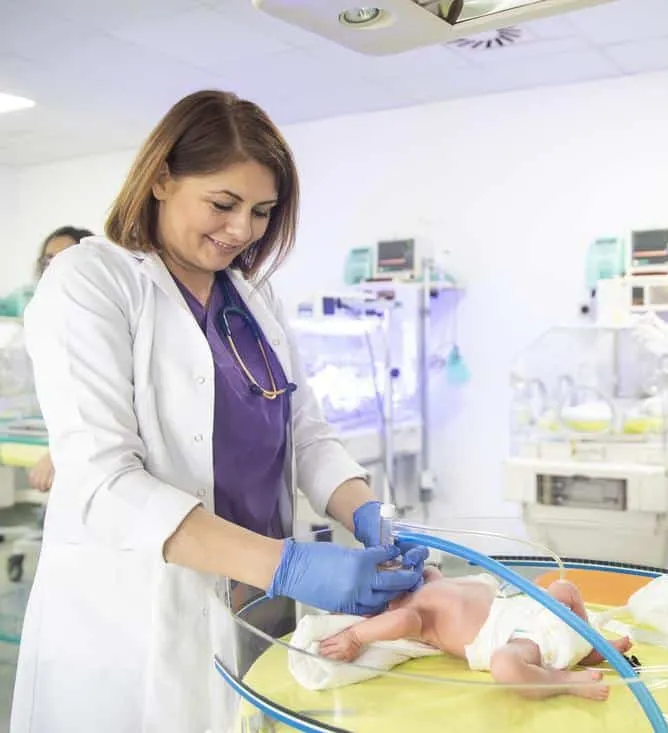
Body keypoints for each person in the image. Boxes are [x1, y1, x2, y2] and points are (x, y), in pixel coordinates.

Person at [10, 89, 428, 733]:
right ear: (160, 179)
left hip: (254, 604)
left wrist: (365, 511)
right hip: (136, 618)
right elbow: (103, 481)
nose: (243, 231)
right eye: (223, 204)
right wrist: (288, 564)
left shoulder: (252, 298)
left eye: (262, 212)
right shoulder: (92, 280)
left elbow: (305, 433)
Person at [318, 566, 634, 701]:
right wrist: (356, 636)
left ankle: (594, 645)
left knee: (564, 588)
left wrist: (422, 570)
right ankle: (561, 681)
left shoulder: (426, 586)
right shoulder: (411, 615)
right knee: (504, 666)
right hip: (514, 640)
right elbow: (399, 623)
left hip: (525, 610)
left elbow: (434, 576)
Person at [24, 226, 94, 492]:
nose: (55, 266)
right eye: (48, 260)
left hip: (89, 456)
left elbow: (91, 399)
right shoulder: (41, 312)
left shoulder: (93, 317)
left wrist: (56, 453)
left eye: (64, 257)